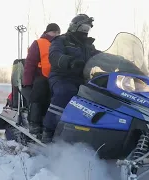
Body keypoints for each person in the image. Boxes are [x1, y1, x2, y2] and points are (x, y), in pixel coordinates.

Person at [41, 14, 101, 143]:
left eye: (87, 29)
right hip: (61, 76)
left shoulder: (88, 46)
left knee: (99, 96)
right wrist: (69, 61)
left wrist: (120, 61)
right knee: (66, 92)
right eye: (83, 28)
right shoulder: (61, 40)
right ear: (74, 26)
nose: (85, 31)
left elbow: (100, 56)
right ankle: (48, 130)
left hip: (82, 79)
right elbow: (54, 56)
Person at [22, 23, 61, 138]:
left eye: (58, 33)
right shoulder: (39, 43)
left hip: (58, 77)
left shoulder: (61, 44)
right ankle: (34, 123)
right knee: (40, 89)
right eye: (54, 32)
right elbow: (30, 64)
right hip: (41, 77)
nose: (56, 34)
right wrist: (27, 83)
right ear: (47, 32)